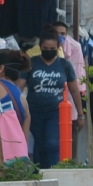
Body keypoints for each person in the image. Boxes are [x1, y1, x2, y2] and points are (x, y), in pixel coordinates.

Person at [25, 27, 82, 167]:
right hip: (34, 111)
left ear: (58, 47)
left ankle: (54, 172)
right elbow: (19, 86)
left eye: (52, 48)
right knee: (40, 144)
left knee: (52, 143)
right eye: (45, 48)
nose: (49, 51)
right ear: (40, 47)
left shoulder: (64, 65)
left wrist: (80, 114)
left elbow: (75, 91)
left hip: (56, 111)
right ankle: (40, 176)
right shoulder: (32, 63)